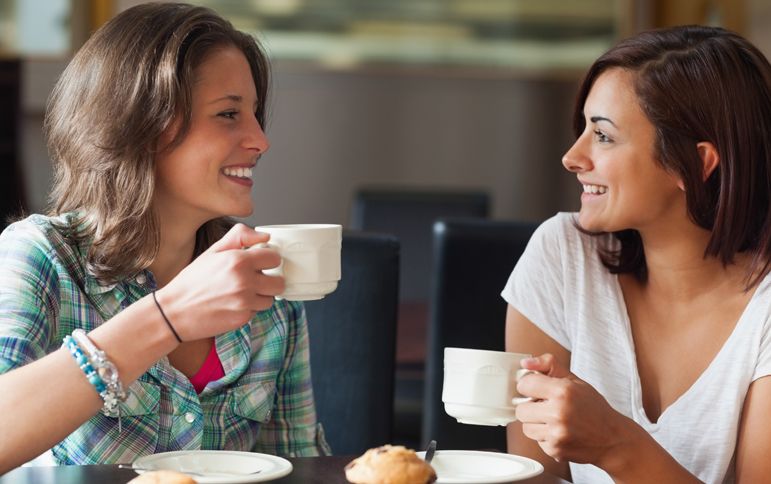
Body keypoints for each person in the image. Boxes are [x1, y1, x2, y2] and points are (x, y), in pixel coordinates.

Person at [0, 2, 330, 472]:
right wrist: (167, 317)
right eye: (229, 114)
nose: (260, 139)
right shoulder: (43, 258)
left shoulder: (268, 289)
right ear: (143, 124)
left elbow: (303, 471)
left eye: (255, 114)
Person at [502, 25, 771, 483]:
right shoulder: (563, 256)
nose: (572, 156)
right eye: (583, 128)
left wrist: (615, 444)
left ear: (696, 163)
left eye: (603, 136)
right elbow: (534, 476)